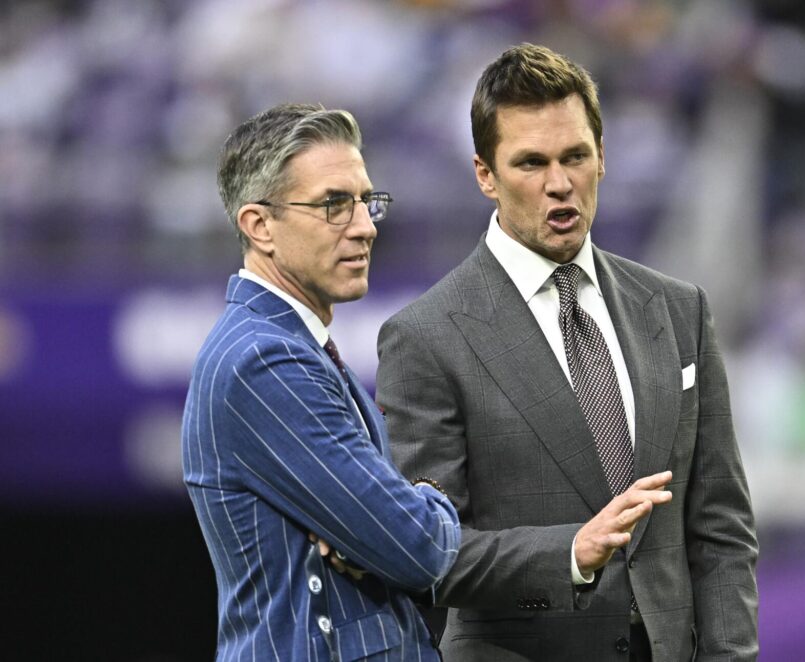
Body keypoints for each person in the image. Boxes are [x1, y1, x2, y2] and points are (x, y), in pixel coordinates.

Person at [376, 44, 758, 661]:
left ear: (602, 158)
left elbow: (721, 530)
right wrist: (569, 554)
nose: (560, 184)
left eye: (575, 156)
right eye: (530, 163)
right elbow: (427, 553)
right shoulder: (425, 338)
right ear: (485, 174)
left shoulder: (679, 309)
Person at [182, 103, 460, 662]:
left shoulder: (290, 344)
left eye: (365, 201)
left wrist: (387, 515)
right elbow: (419, 548)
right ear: (259, 226)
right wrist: (426, 503)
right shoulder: (262, 361)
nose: (364, 226)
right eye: (334, 204)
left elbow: (397, 536)